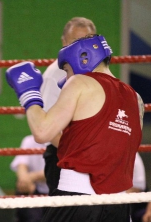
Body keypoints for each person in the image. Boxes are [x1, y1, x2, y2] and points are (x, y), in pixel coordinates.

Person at [6, 34, 144, 222]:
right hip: (117, 208)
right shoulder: (137, 99)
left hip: (74, 202)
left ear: (83, 59)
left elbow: (42, 131)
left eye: (67, 70)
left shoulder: (80, 83)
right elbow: (105, 146)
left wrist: (29, 95)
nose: (65, 78)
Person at [40, 17, 97, 195]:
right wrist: (80, 156)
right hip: (63, 157)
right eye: (75, 42)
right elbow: (48, 129)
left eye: (87, 41)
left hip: (94, 157)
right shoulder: (54, 74)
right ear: (63, 42)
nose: (81, 48)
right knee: (64, 218)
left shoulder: (98, 72)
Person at [10, 134, 47, 222]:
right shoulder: (29, 140)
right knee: (24, 189)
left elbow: (56, 170)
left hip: (56, 191)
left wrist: (30, 177)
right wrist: (24, 180)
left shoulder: (61, 140)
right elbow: (21, 165)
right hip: (35, 189)